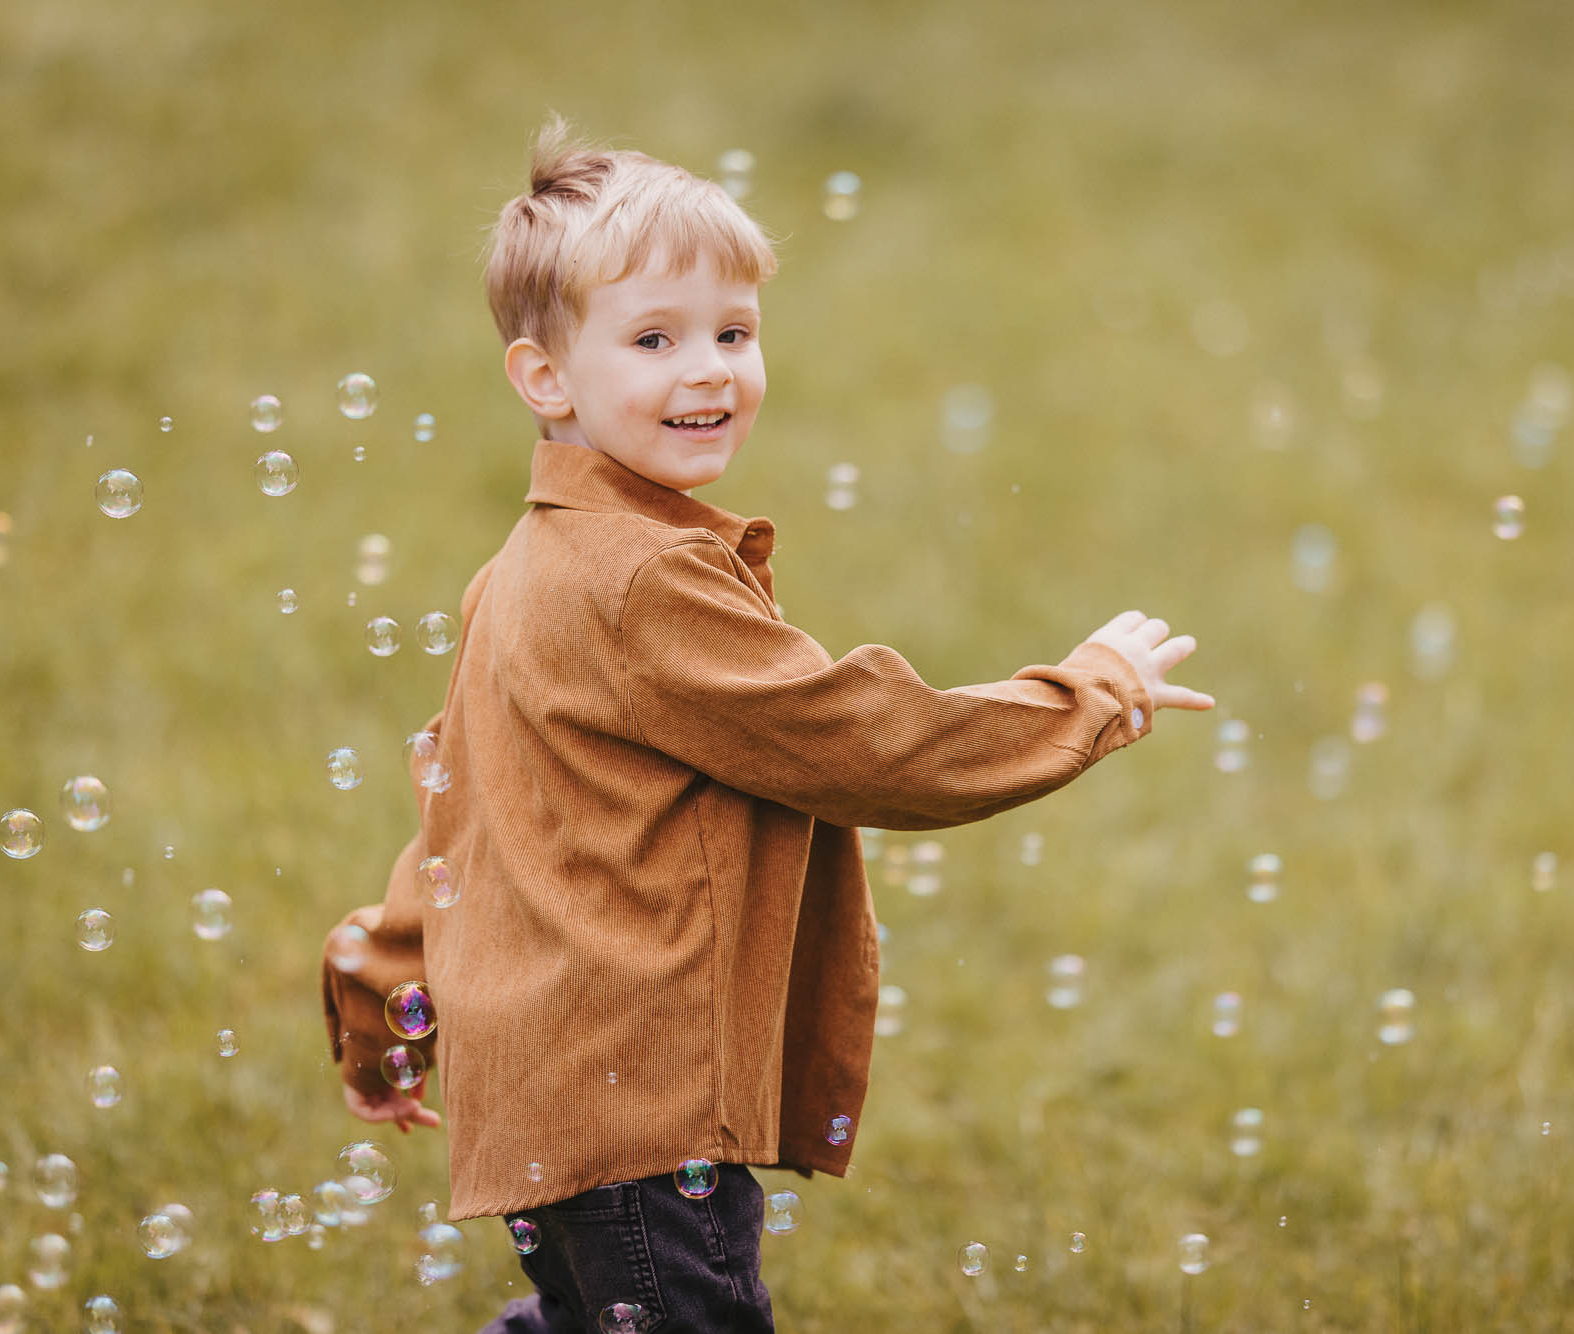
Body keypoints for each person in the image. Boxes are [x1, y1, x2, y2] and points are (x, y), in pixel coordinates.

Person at [319, 114, 1214, 1333]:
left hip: (554, 1092)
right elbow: (859, 738)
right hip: (639, 1104)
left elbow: (455, 818)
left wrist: (381, 989)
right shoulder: (644, 580)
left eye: (733, 332)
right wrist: (1086, 692)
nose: (708, 370)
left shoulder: (525, 567)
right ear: (544, 376)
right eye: (653, 338)